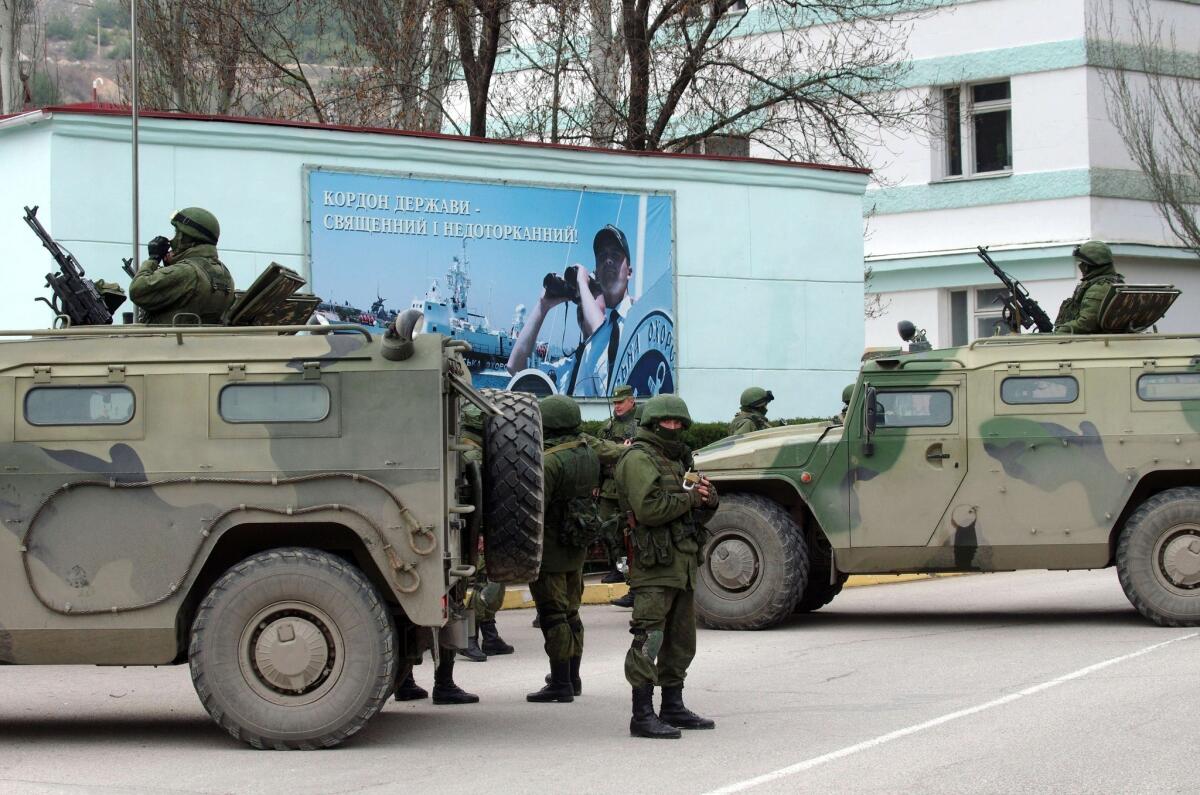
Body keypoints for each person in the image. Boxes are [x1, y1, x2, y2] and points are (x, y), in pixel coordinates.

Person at [615, 394, 719, 739]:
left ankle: (672, 705)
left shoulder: (677, 458)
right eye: (666, 423)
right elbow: (650, 509)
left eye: (678, 423)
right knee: (650, 636)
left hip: (683, 561)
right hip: (654, 564)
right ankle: (641, 715)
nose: (673, 428)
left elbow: (690, 506)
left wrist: (708, 500)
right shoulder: (638, 458)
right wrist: (691, 498)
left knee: (680, 640)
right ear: (651, 423)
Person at [526, 395, 601, 703]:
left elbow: (536, 509)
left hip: (552, 550)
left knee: (552, 614)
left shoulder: (549, 461)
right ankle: (572, 676)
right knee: (571, 613)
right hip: (576, 546)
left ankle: (560, 683)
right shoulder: (588, 453)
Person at [506, 225, 634, 396]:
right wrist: (543, 305)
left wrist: (582, 282)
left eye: (591, 294)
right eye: (580, 299)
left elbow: (600, 332)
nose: (583, 302)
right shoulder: (571, 365)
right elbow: (516, 368)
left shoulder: (631, 326)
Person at [456, 405, 515, 662]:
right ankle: (469, 636)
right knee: (491, 584)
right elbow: (480, 498)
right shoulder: (476, 455)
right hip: (477, 530)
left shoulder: (461, 448)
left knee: (483, 581)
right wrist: (481, 532)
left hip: (466, 529)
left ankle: (489, 636)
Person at [129, 207, 235, 325]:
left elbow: (137, 291)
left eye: (177, 233)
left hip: (169, 341)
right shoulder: (224, 273)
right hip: (201, 340)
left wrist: (153, 259)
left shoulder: (186, 271)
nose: (172, 240)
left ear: (186, 237)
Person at [599, 385, 638, 585]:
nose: (617, 407)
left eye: (621, 402)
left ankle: (635, 570)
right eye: (615, 403)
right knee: (608, 530)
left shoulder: (641, 425)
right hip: (608, 488)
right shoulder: (608, 427)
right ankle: (619, 568)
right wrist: (595, 484)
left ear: (631, 401)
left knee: (630, 530)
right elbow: (598, 456)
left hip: (630, 487)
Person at [1053, 241, 1125, 334]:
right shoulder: (1115, 283)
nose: (1080, 266)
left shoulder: (1100, 288)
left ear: (1090, 265)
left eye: (1083, 263)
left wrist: (1061, 331)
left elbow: (1086, 323)